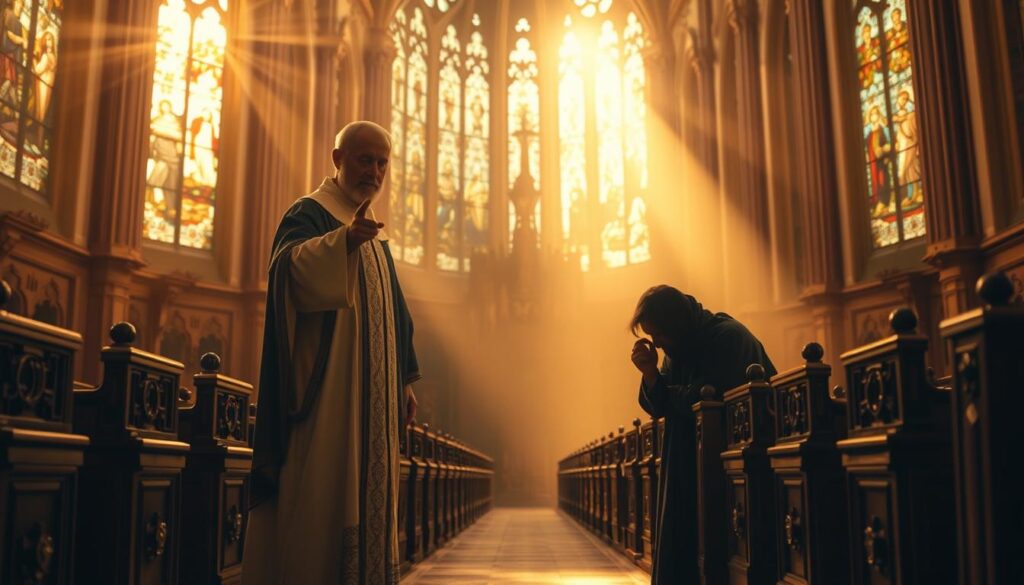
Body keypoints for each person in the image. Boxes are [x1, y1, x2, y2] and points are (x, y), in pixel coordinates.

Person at [244, 121, 421, 585]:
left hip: (375, 401)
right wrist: (341, 242)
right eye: (365, 159)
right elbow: (287, 272)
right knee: (325, 492)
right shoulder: (312, 213)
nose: (375, 171)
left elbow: (397, 317)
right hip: (329, 396)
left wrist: (402, 380)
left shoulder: (376, 234)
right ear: (338, 159)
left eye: (382, 162)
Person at [629, 286, 775, 585]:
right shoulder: (680, 346)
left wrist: (660, 383)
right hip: (690, 459)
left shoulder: (726, 337)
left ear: (675, 322)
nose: (655, 343)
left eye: (658, 333)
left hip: (736, 463)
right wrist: (649, 373)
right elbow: (662, 404)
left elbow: (703, 400)